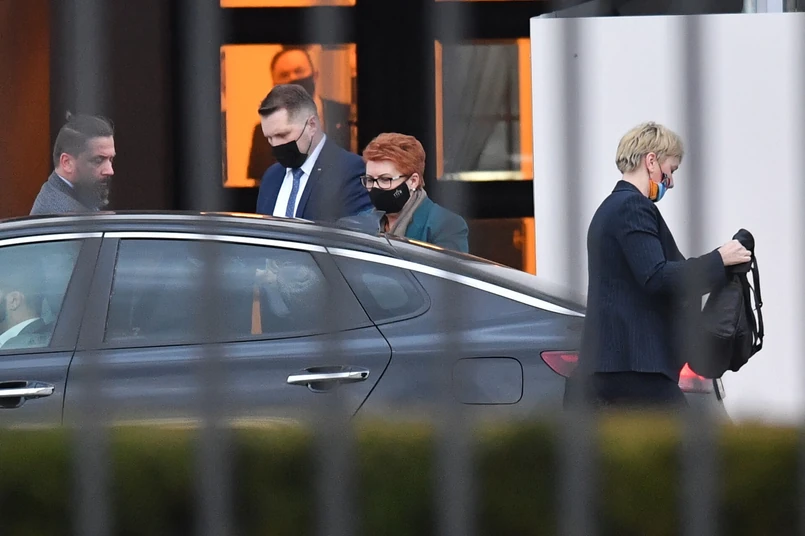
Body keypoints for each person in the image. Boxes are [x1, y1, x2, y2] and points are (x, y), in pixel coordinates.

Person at [575, 121, 751, 409]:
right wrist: (719, 260)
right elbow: (657, 277)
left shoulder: (611, 208)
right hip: (636, 367)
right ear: (651, 161)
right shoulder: (633, 207)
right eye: (671, 169)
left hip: (621, 367)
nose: (671, 182)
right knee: (685, 437)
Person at [254, 84, 371, 222]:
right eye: (269, 138)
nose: (275, 144)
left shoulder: (350, 171)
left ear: (312, 125)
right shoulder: (271, 178)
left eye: (282, 135)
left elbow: (355, 231)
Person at [337, 133, 469, 253]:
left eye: (385, 179)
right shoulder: (357, 224)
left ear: (413, 181)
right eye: (370, 180)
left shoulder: (445, 226)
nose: (375, 187)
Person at [247, 46, 352, 181]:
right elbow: (259, 186)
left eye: (299, 71)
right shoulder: (263, 132)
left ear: (315, 75)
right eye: (284, 75)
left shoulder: (346, 114)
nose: (293, 78)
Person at [31, 113, 116, 215]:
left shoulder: (75, 196)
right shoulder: (61, 215)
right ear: (67, 163)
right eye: (98, 160)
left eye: (111, 159)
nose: (110, 171)